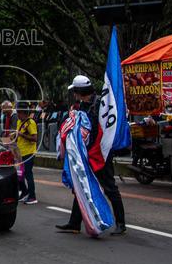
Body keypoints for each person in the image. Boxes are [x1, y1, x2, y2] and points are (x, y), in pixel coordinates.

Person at [56, 75, 128, 235]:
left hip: (100, 153)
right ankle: (74, 223)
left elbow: (101, 130)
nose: (74, 94)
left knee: (110, 188)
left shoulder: (100, 105)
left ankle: (121, 223)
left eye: (75, 91)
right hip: (85, 153)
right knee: (81, 185)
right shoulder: (82, 105)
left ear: (79, 91)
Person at [16, 103, 39, 204]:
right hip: (19, 153)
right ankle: (24, 192)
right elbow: (18, 136)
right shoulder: (19, 122)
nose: (17, 114)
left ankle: (32, 196)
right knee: (19, 174)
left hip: (29, 153)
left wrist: (22, 135)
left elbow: (34, 138)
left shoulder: (30, 123)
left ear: (23, 113)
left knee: (28, 174)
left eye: (18, 112)